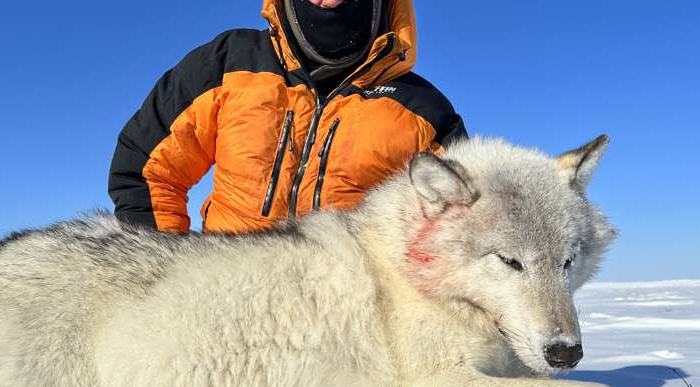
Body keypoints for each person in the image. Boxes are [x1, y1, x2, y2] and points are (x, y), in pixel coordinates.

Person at [108, 0, 467, 234]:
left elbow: (461, 226)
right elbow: (147, 170)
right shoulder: (228, 62)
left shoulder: (426, 112)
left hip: (344, 319)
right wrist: (167, 274)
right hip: (220, 303)